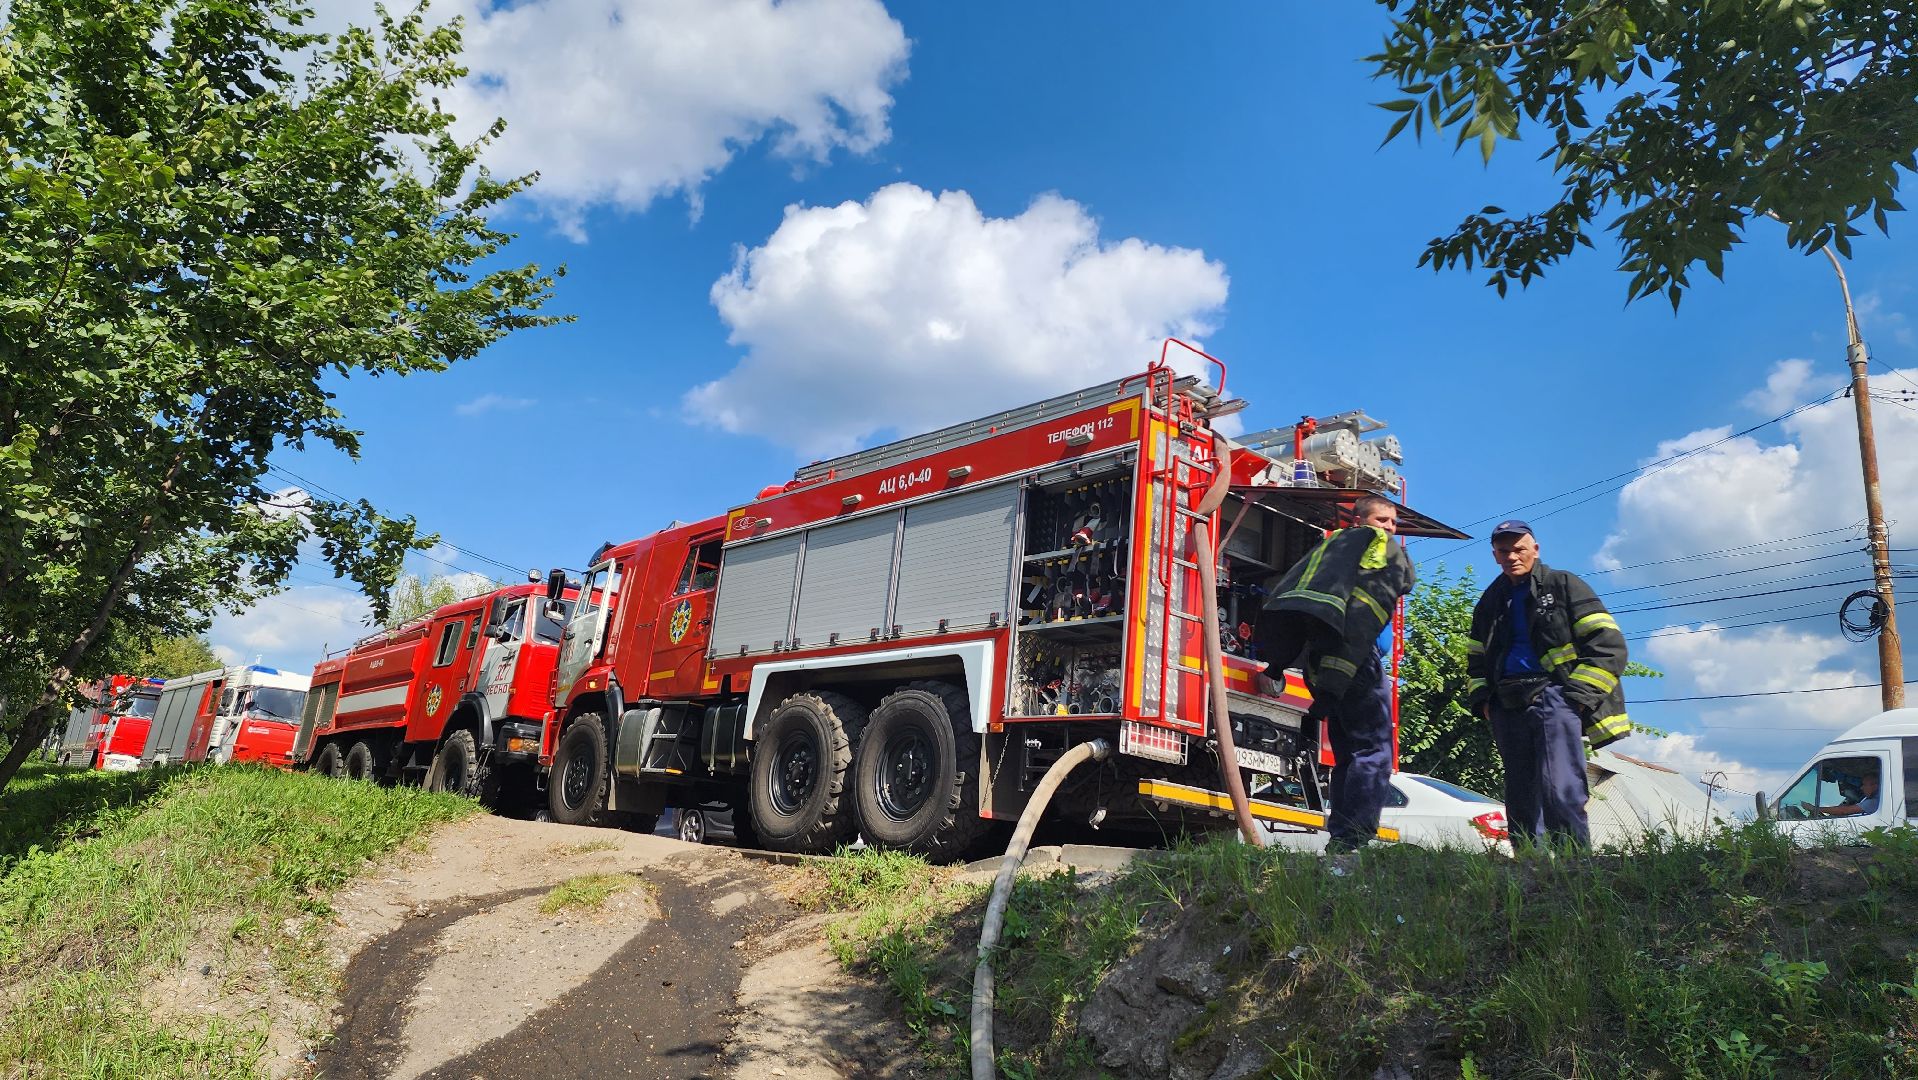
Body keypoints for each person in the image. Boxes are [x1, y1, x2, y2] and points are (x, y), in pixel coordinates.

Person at [1257, 495, 1416, 853]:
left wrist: (1280, 664)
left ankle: (1342, 838)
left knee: (1348, 755)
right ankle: (1354, 838)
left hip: (1322, 665)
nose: (1389, 529)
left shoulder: (1329, 552)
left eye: (1393, 523)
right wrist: (1339, 678)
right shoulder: (1376, 548)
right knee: (1373, 751)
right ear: (1360, 522)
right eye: (1381, 520)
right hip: (1356, 663)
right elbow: (1363, 618)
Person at [1465, 520, 1630, 849]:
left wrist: (1577, 699)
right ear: (1495, 556)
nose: (1512, 556)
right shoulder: (1491, 600)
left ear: (1536, 550)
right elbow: (1476, 657)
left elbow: (1609, 644)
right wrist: (1484, 701)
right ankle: (1529, 869)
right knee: (1520, 792)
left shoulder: (1564, 585)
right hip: (1506, 704)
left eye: (1519, 549)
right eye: (1503, 551)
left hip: (1554, 697)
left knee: (1561, 788)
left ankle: (1572, 868)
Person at [1814, 771, 1881, 817]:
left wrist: (1815, 809)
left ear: (1875, 786)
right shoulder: (1876, 799)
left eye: (1864, 784)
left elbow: (1844, 811)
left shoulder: (1874, 802)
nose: (1861, 788)